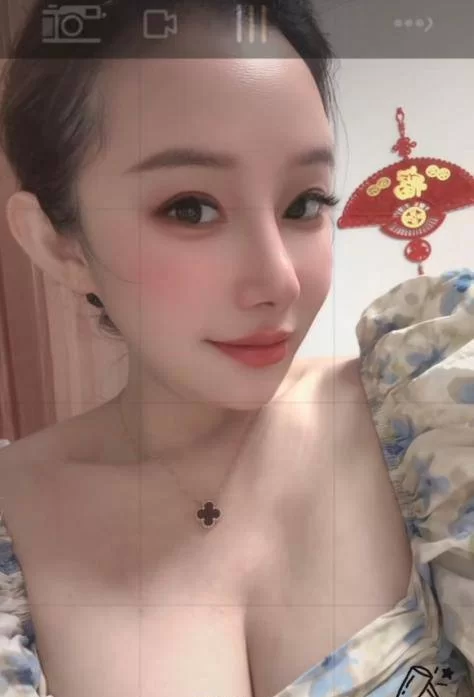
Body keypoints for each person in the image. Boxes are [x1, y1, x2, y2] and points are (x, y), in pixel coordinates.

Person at [0, 1, 473, 696]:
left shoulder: (443, 415)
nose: (279, 281)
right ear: (58, 244)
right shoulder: (15, 523)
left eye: (304, 203)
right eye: (190, 208)